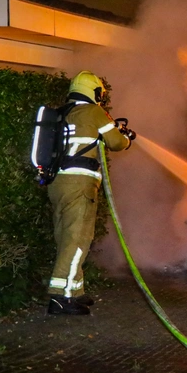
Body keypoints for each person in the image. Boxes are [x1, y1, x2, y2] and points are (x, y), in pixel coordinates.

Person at [47, 71, 135, 315]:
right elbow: (116, 143)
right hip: (80, 184)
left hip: (58, 183)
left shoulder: (65, 113)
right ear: (94, 92)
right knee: (78, 239)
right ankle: (59, 298)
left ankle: (73, 291)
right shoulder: (94, 112)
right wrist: (126, 137)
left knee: (66, 236)